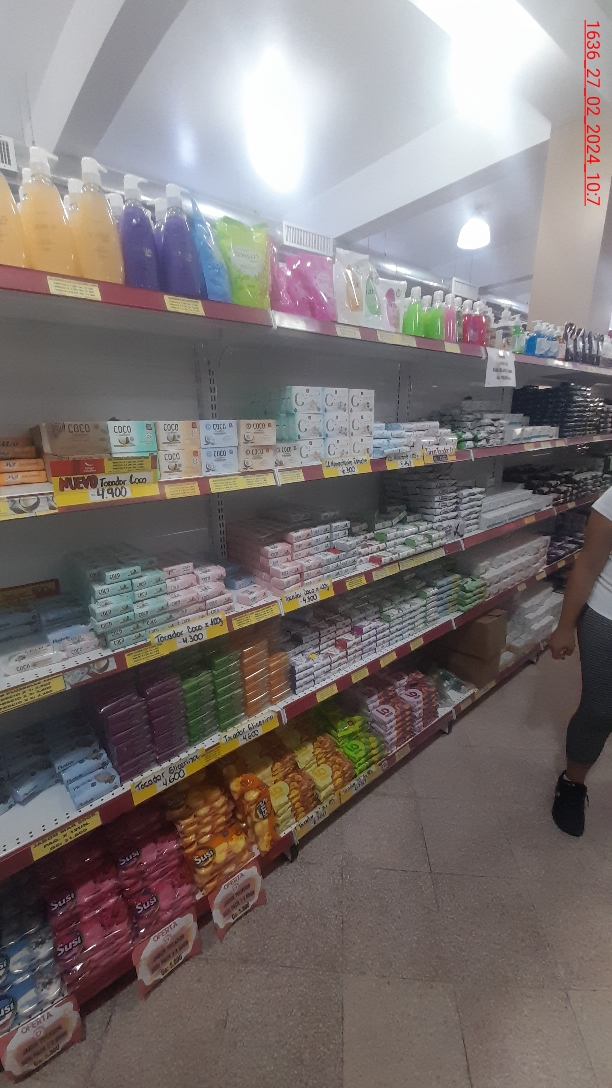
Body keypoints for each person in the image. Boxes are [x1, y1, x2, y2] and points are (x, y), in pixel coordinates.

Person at [549, 488, 612, 836]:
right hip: (607, 614)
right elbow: (588, 564)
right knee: (600, 710)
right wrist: (565, 627)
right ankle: (573, 784)